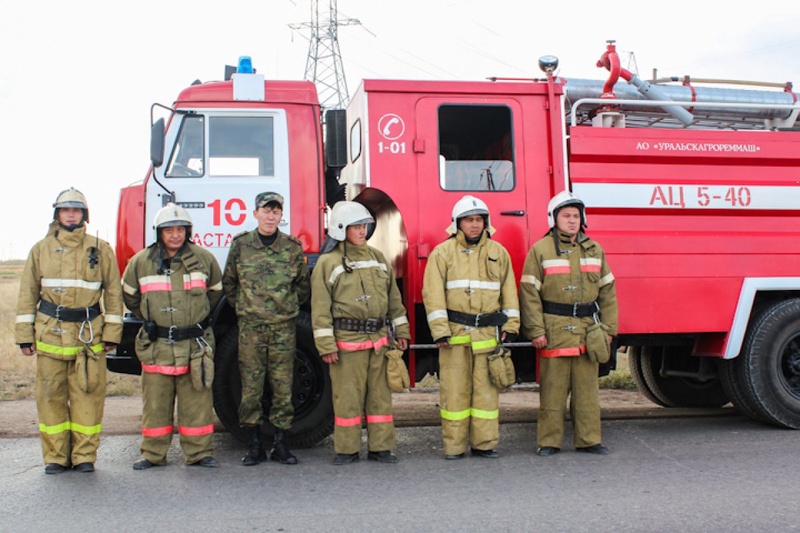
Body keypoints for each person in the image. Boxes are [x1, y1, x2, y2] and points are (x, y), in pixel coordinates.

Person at [15, 187, 123, 474]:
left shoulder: (100, 249)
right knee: (49, 396)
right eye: (66, 210)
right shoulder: (40, 250)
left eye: (76, 210)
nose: (71, 214)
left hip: (88, 337)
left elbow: (113, 293)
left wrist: (112, 334)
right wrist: (25, 336)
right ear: (58, 214)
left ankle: (84, 456)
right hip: (50, 335)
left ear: (84, 214)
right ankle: (55, 457)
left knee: (88, 395)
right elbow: (27, 294)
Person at [122, 203, 223, 470]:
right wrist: (153, 317)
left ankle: (199, 453)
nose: (175, 235)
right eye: (169, 230)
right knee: (155, 405)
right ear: (159, 232)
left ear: (188, 231)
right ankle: (153, 454)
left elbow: (215, 294)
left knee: (197, 402)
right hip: (157, 345)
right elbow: (130, 297)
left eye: (180, 229)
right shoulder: (141, 262)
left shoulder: (204, 259)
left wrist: (193, 318)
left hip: (194, 347)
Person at [311, 201, 411, 465]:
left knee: (380, 398)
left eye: (363, 226)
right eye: (355, 226)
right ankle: (347, 450)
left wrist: (401, 330)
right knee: (347, 400)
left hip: (379, 342)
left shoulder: (378, 259)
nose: (361, 231)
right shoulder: (327, 263)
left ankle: (382, 447)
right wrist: (326, 345)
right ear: (340, 229)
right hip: (346, 345)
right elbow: (320, 308)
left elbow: (394, 299)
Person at [520, 191, 618, 456]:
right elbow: (529, 293)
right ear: (554, 219)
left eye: (576, 216)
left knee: (588, 391)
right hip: (554, 329)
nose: (572, 221)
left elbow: (608, 291)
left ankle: (589, 440)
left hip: (589, 330)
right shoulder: (540, 250)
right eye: (566, 216)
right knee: (553, 391)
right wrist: (536, 330)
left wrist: (608, 330)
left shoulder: (595, 249)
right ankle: (549, 442)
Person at [422, 195, 519, 460]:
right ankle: (454, 447)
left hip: (487, 336)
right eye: (469, 220)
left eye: (479, 220)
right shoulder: (442, 253)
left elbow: (509, 290)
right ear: (457, 223)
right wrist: (440, 330)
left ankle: (484, 444)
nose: (474, 225)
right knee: (454, 394)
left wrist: (512, 323)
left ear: (486, 222)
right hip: (454, 335)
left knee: (486, 395)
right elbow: (432, 294)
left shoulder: (498, 253)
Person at [222, 192, 311, 466]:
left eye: (276, 211)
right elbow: (230, 284)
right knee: (251, 387)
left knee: (283, 386)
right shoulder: (241, 246)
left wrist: (282, 310)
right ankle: (254, 444)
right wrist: (248, 309)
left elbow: (303, 287)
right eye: (266, 210)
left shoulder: (292, 247)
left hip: (283, 329)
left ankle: (281, 445)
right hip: (251, 330)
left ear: (281, 215)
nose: (271, 216)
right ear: (256, 213)